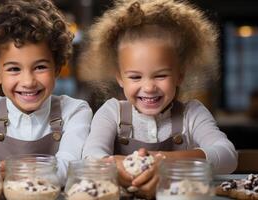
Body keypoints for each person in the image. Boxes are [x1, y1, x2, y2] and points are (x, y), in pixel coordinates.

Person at [81, 0, 237, 198]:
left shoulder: (192, 113)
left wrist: (165, 162)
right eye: (135, 77)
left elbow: (228, 156)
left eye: (160, 75)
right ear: (119, 78)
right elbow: (90, 157)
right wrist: (119, 166)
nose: (148, 87)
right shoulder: (112, 112)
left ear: (180, 74)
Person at [0, 0, 93, 186]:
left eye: (40, 67)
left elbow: (71, 169)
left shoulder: (74, 112)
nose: (28, 82)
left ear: (58, 69)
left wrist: (12, 171)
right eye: (14, 69)